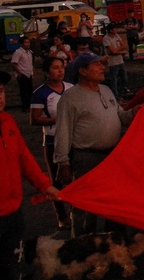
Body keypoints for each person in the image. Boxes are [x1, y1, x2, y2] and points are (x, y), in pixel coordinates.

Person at [54, 52, 138, 237]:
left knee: (115, 202)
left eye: (102, 64)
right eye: (97, 65)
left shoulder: (106, 90)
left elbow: (120, 116)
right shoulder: (71, 97)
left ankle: (112, 242)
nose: (102, 67)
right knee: (86, 206)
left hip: (112, 156)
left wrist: (133, 112)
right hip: (86, 157)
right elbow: (63, 131)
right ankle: (83, 248)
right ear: (83, 71)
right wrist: (63, 162)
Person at [0, 71, 59, 280]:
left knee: (12, 263)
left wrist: (45, 185)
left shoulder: (7, 121)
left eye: (1, 91)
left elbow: (23, 157)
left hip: (12, 211)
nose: (0, 97)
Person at [29, 56, 72, 231]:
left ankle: (77, 211)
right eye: (55, 68)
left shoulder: (71, 88)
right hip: (53, 140)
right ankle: (62, 216)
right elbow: (35, 119)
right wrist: (59, 119)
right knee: (56, 180)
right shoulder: (40, 93)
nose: (60, 71)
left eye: (61, 67)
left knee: (75, 177)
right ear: (47, 72)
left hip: (72, 139)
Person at [102, 23, 127, 99]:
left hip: (120, 61)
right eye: (114, 29)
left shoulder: (116, 36)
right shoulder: (106, 39)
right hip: (113, 63)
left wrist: (116, 50)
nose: (116, 30)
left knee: (124, 79)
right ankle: (116, 96)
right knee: (114, 80)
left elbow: (123, 45)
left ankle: (120, 93)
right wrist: (120, 51)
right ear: (110, 30)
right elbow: (112, 51)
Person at [11, 36, 34, 113]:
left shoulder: (29, 52)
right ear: (21, 44)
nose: (28, 44)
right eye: (26, 42)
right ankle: (25, 107)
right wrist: (19, 73)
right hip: (23, 74)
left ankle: (29, 106)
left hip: (29, 74)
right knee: (24, 92)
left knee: (30, 90)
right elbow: (14, 63)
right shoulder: (18, 52)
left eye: (28, 42)